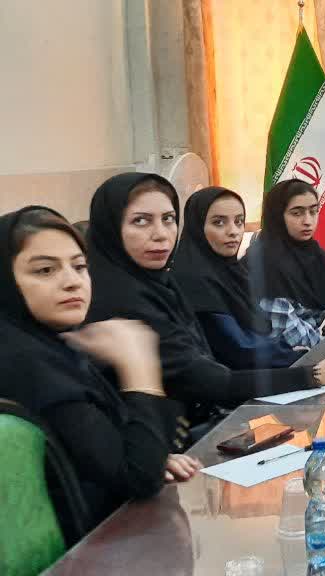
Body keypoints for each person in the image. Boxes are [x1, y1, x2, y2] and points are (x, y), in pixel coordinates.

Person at [84, 173, 325, 431]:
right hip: (169, 440)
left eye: (168, 219)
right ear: (111, 227)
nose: (161, 233)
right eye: (141, 221)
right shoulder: (126, 300)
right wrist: (311, 375)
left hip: (199, 425)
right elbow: (213, 378)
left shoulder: (163, 286)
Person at [0, 206, 199, 535]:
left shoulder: (56, 345)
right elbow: (138, 478)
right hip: (81, 551)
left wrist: (151, 456)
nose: (72, 282)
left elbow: (128, 455)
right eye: (45, 270)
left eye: (79, 266)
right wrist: (138, 368)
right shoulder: (25, 362)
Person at [172, 187, 303, 369]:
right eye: (219, 222)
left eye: (239, 221)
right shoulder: (193, 280)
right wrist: (293, 355)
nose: (233, 231)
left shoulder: (233, 272)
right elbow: (239, 349)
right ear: (198, 227)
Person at [244, 179, 325, 349]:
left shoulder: (314, 256)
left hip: (312, 356)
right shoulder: (263, 264)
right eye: (297, 213)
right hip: (284, 361)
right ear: (277, 216)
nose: (308, 221)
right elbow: (294, 339)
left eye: (313, 211)